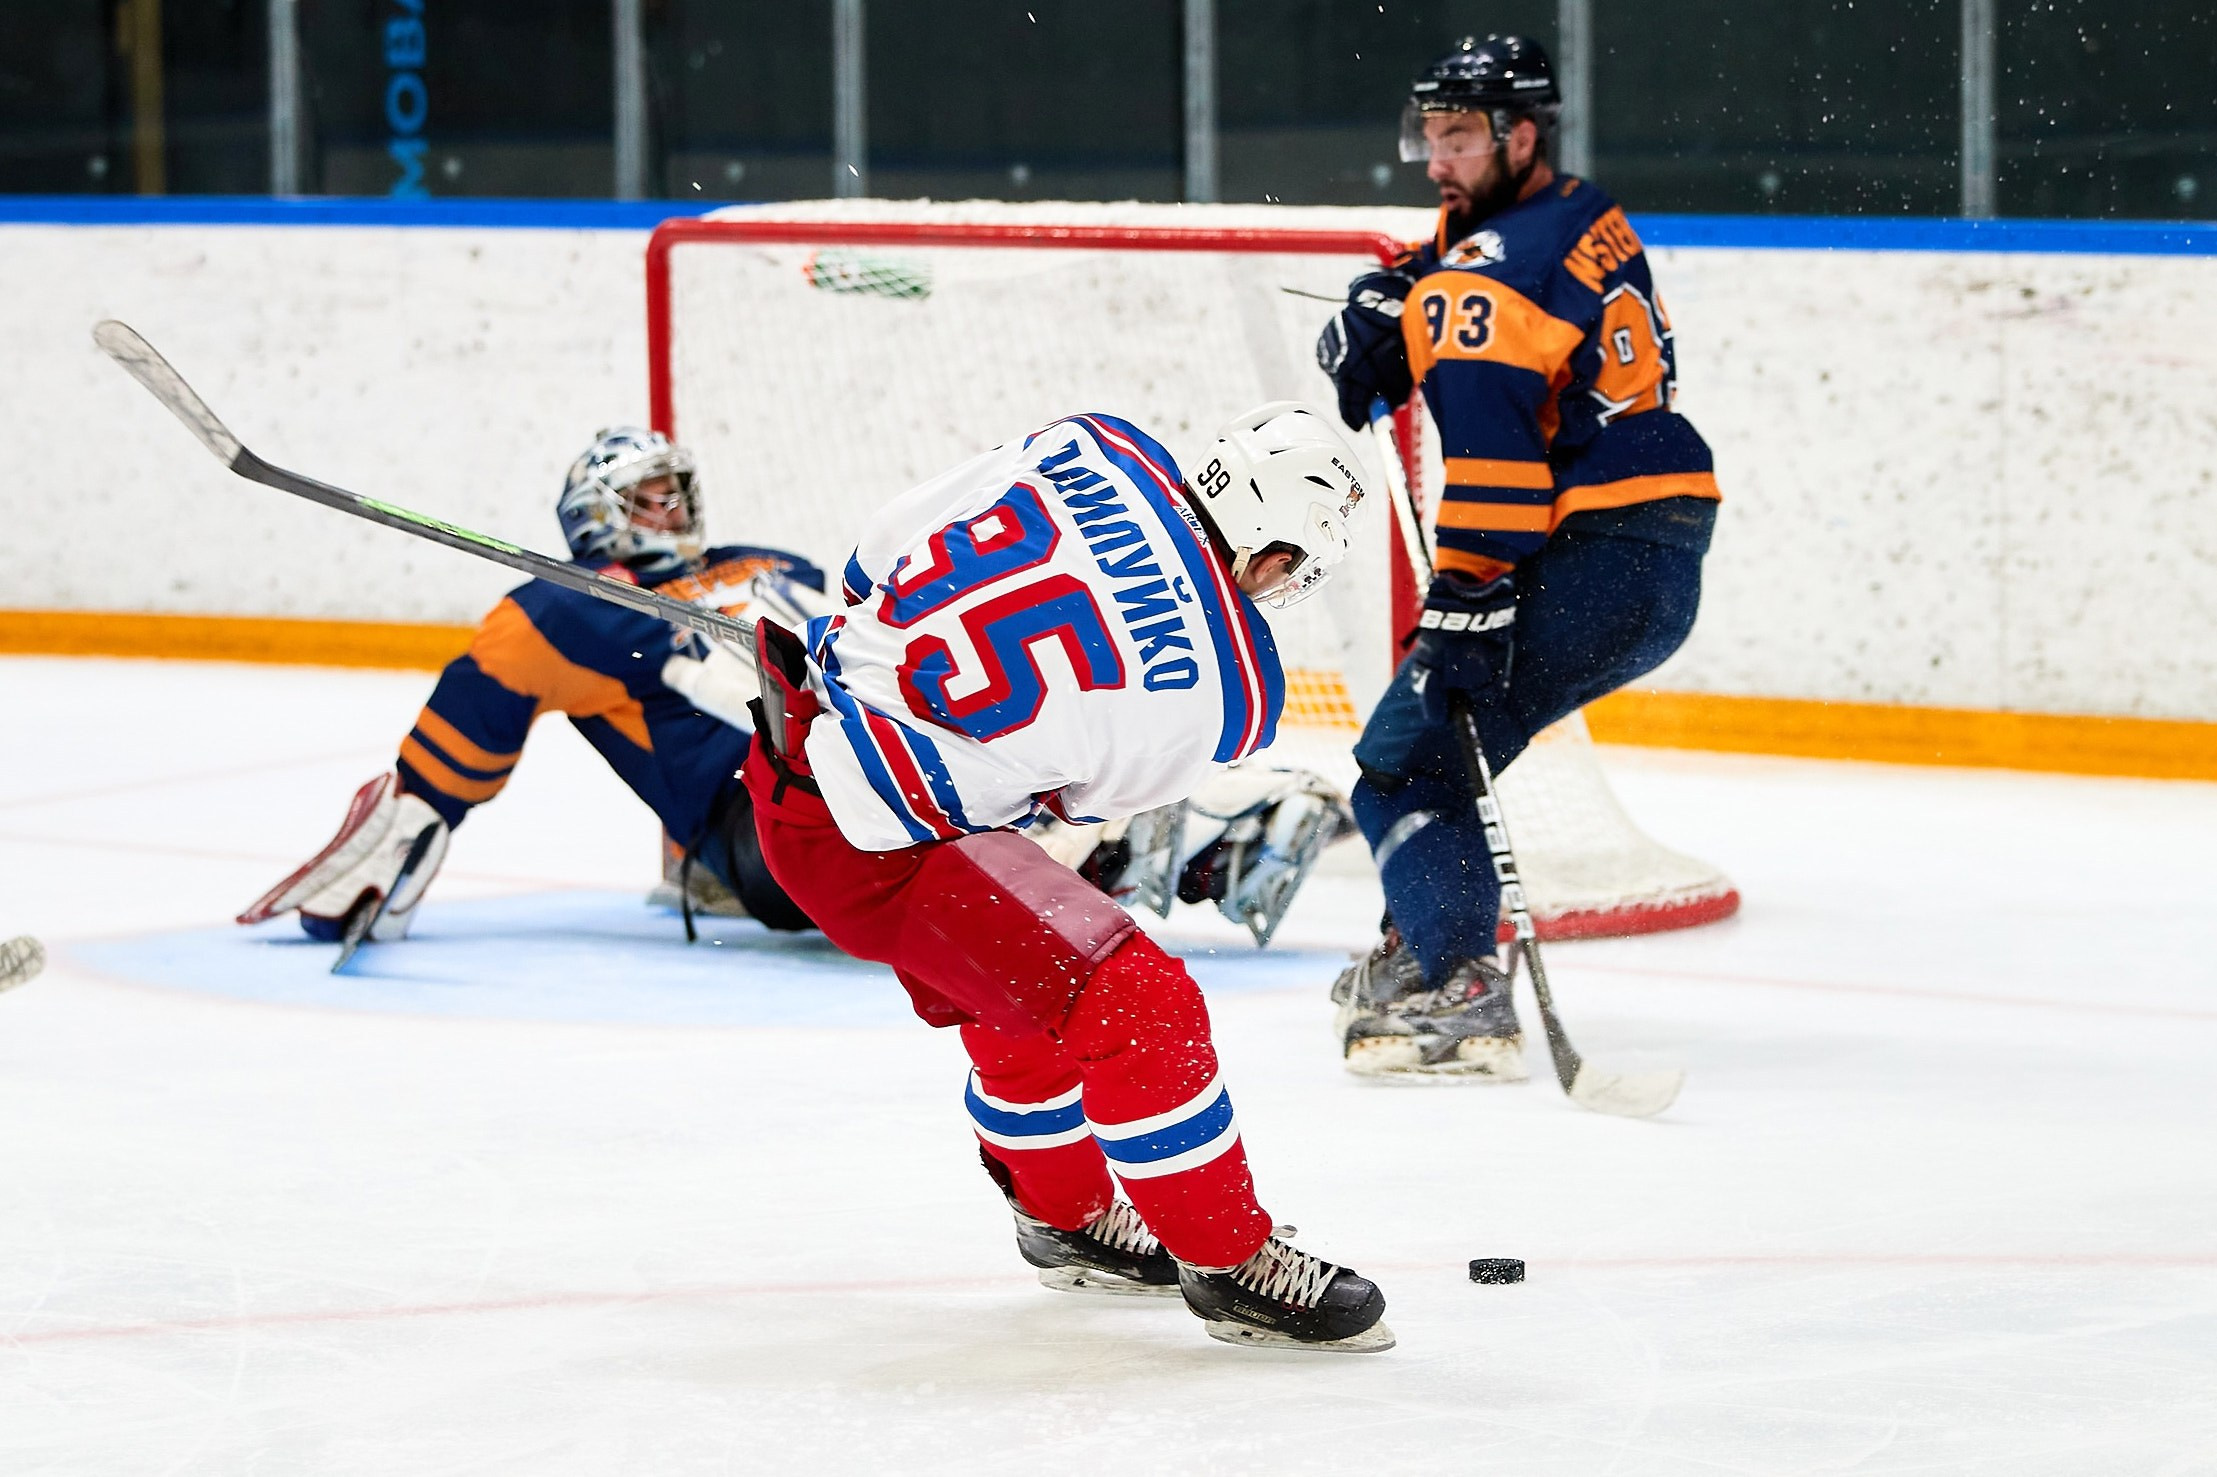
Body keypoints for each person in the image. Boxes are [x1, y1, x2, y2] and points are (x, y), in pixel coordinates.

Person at [741, 404, 1394, 1352]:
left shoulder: (1096, 444)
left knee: (1027, 990)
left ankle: (1068, 1219)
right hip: (888, 838)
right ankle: (1229, 1263)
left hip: (794, 749)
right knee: (1135, 1000)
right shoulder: (1237, 687)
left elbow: (872, 555)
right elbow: (1078, 800)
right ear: (1275, 551)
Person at [1314, 36, 1721, 1080]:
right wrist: (1397, 295)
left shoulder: (1489, 278)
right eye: (1429, 136)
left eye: (1458, 138)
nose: (1437, 161)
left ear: (1521, 134)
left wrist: (1468, 592)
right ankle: (1430, 942)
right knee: (1433, 753)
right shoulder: (1576, 213)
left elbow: (1495, 445)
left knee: (1405, 762)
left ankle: (1455, 987)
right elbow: (1479, 282)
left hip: (1589, 552)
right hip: (1650, 548)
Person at [239, 428, 831, 944]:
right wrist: (415, 813)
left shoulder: (766, 562)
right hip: (767, 822)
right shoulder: (580, 610)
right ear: (594, 514)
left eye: (674, 490)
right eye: (646, 497)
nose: (671, 507)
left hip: (860, 754)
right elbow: (487, 690)